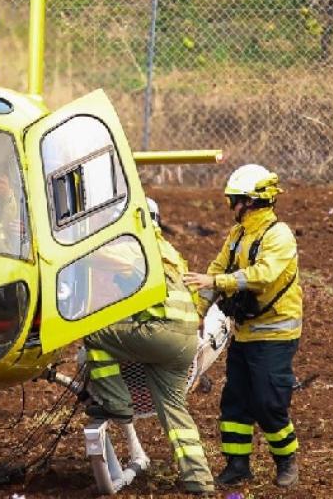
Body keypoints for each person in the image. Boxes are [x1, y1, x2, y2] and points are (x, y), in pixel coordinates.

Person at [83, 198, 216, 496]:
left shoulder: (138, 245)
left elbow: (92, 257)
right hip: (186, 340)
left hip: (162, 333)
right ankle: (200, 481)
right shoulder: (170, 252)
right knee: (175, 413)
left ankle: (117, 405)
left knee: (94, 334)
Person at [182, 164, 303, 489]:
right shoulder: (238, 236)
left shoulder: (279, 235)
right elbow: (216, 269)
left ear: (248, 202)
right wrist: (198, 309)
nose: (230, 207)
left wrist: (216, 280)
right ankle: (237, 465)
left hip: (276, 334)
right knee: (235, 400)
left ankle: (287, 461)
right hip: (245, 333)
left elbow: (262, 274)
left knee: (268, 401)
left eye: (232, 200)